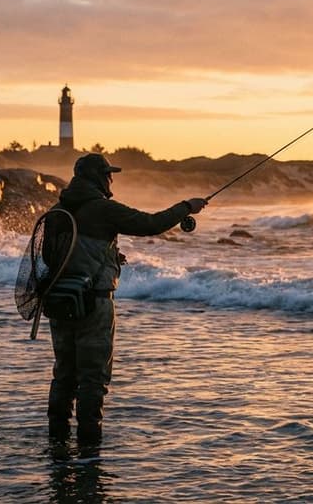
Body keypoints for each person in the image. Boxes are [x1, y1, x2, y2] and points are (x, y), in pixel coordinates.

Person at [44, 153, 207, 444]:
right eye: (108, 174)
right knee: (93, 379)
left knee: (64, 376)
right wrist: (186, 207)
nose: (110, 179)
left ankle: (57, 442)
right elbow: (150, 224)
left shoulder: (58, 211)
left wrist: (107, 255)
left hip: (59, 303)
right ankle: (88, 452)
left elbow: (53, 256)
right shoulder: (102, 209)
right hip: (93, 305)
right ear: (97, 177)